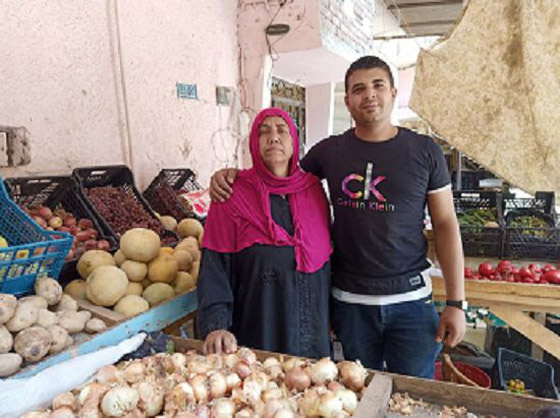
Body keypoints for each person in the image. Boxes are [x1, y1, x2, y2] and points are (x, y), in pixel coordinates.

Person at [209, 56, 466, 378]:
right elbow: (282, 177)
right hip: (350, 304)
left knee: (412, 398)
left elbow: (445, 224)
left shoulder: (425, 151)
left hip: (411, 302)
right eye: (358, 89)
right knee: (353, 394)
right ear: (347, 101)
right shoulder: (329, 152)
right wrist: (233, 176)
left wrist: (456, 303)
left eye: (378, 86)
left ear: (393, 92)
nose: (369, 94)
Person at [197, 107, 332, 359]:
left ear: (294, 143)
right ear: (253, 143)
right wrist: (216, 327)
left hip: (312, 330)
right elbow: (215, 265)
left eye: (282, 131)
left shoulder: (313, 190)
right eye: (264, 131)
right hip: (259, 328)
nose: (273, 137)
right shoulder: (231, 193)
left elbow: (326, 263)